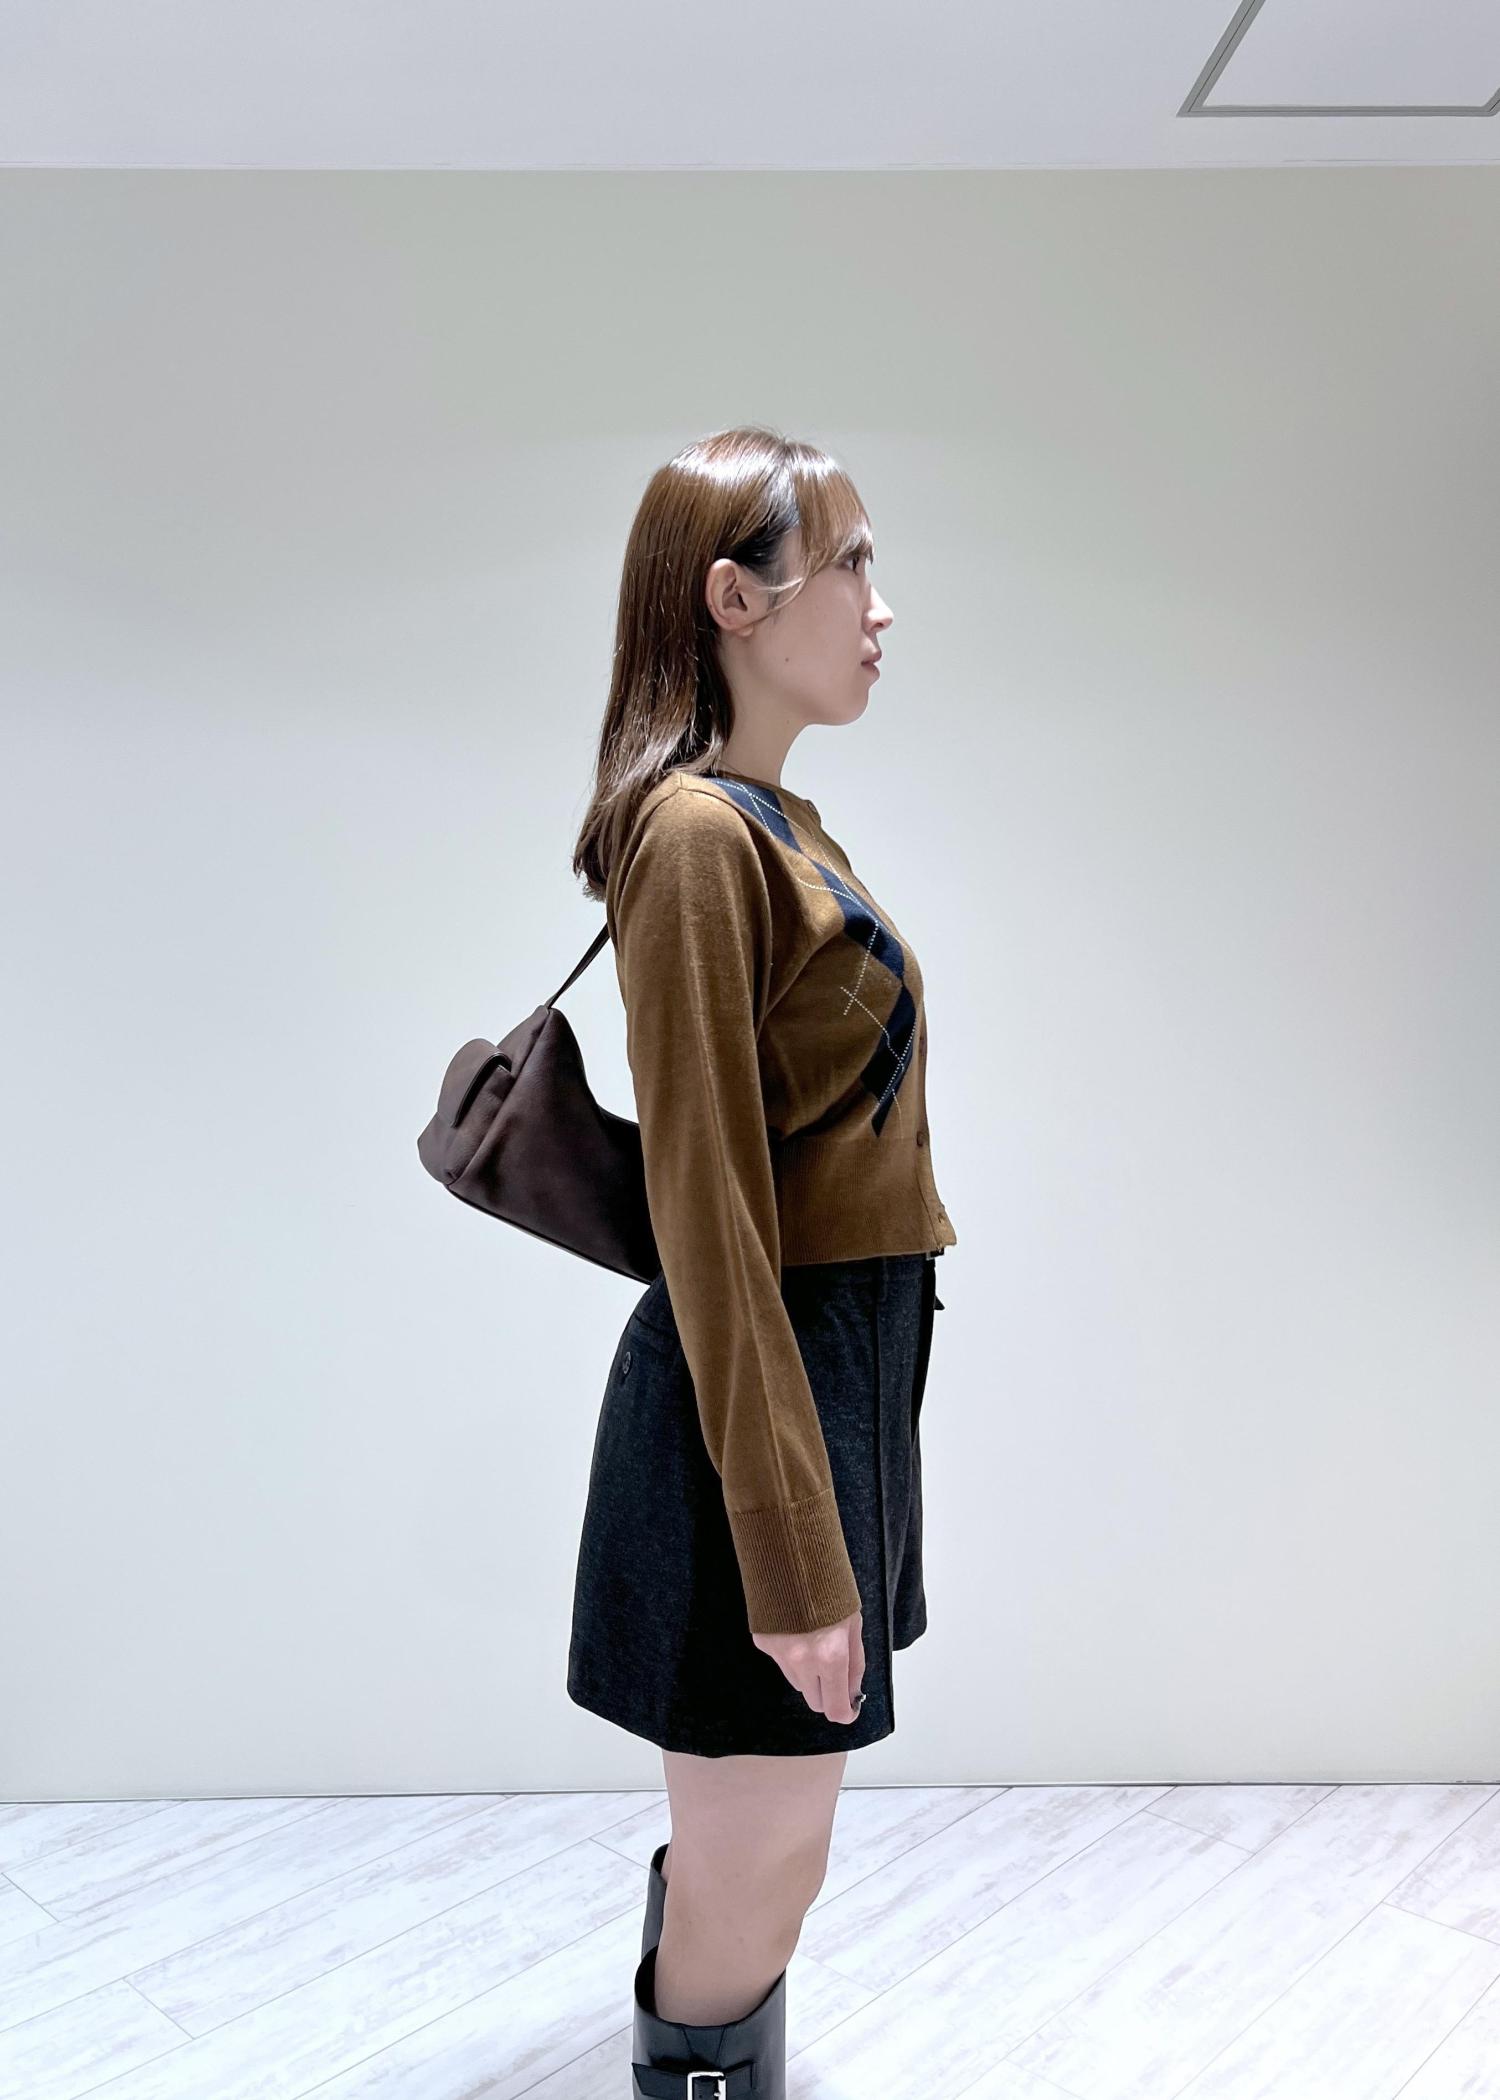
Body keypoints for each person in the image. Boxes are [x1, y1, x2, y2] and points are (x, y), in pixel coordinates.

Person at [567, 423, 956, 2097]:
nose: (881, 603)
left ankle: (701, 1962)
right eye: (851, 561)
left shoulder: (777, 825)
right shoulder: (695, 840)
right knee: (771, 1850)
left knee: (778, 1844)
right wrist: (795, 1553)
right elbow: (711, 1215)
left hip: (839, 1369)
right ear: (735, 598)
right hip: (764, 1392)